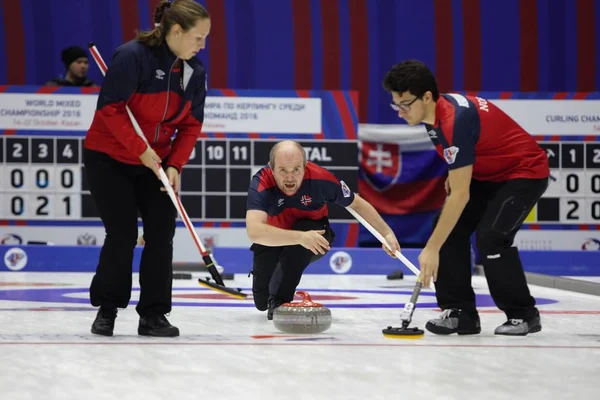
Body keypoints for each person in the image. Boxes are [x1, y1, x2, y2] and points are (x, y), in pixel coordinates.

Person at [382, 60, 549, 336]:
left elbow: (460, 195)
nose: (399, 112)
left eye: (405, 104)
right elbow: (464, 159)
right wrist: (457, 173)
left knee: (491, 237)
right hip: (487, 175)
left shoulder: (454, 120)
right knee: (447, 231)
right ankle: (461, 313)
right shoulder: (432, 115)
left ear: (426, 97)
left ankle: (523, 315)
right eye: (395, 104)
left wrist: (432, 249)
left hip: (524, 173)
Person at [83, 0, 211, 337]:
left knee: (161, 235)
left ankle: (154, 314)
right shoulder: (132, 56)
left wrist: (175, 166)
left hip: (156, 164)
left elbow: (191, 126)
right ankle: (107, 309)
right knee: (123, 234)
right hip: (109, 158)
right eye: (198, 38)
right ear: (176, 31)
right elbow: (110, 110)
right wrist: (140, 149)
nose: (202, 46)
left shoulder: (194, 72)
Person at [245, 140, 401, 320]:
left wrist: (386, 233)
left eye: (296, 169)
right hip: (276, 237)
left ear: (305, 166)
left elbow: (357, 204)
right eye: (283, 170)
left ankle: (281, 302)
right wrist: (299, 237)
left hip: (315, 235)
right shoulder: (261, 183)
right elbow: (254, 231)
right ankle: (276, 279)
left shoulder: (321, 179)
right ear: (271, 169)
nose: (290, 177)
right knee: (261, 302)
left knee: (303, 238)